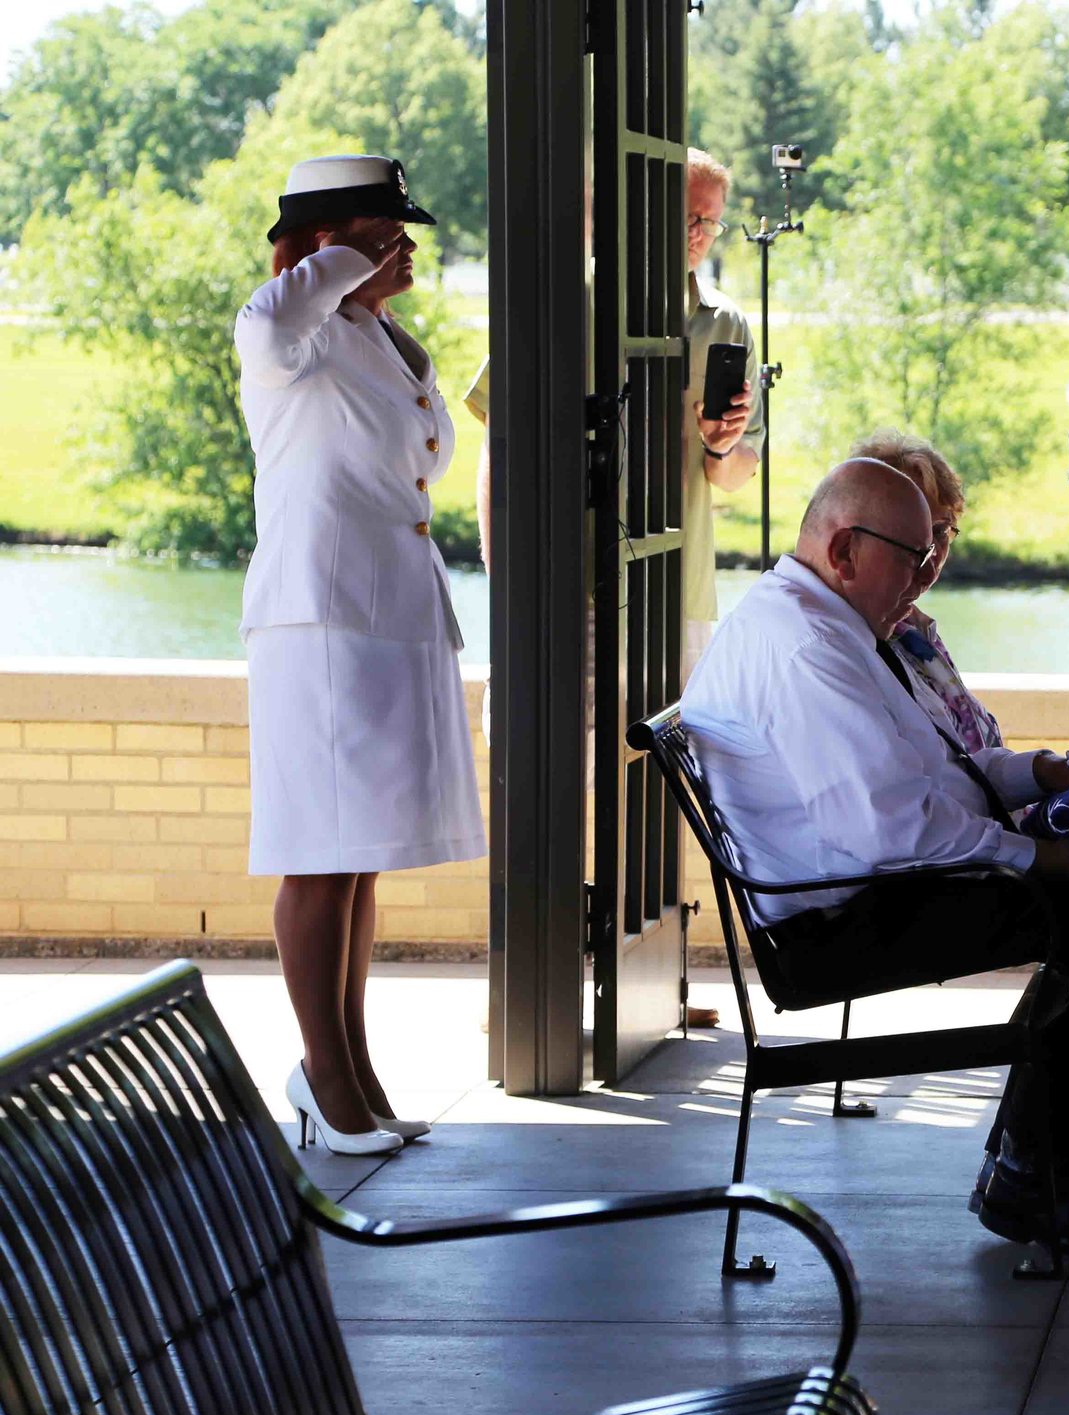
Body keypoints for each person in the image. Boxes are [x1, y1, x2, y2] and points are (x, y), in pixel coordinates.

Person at [680, 458, 1069, 1263]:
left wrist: (1035, 772)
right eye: (911, 556)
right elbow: (894, 831)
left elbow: (934, 768)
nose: (924, 574)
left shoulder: (836, 621)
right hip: (836, 918)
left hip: (873, 882)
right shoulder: (808, 647)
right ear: (846, 548)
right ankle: (1036, 1170)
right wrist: (1044, 859)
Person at [237, 154, 478, 1156]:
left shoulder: (374, 334)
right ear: (342, 240)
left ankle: (355, 1070)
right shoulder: (286, 335)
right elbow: (273, 313)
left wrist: (365, 279)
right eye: (393, 230)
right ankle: (323, 1078)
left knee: (362, 855)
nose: (411, 245)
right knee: (318, 852)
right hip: (320, 617)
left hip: (390, 615)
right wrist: (341, 256)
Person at [468, 147, 760, 675]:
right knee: (567, 752)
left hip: (677, 594)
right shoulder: (565, 299)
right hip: (571, 586)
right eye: (689, 217)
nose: (699, 233)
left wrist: (719, 444)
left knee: (662, 755)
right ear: (646, 209)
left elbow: (737, 474)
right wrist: (502, 577)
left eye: (711, 222)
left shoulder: (727, 325)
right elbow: (500, 444)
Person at [846, 429, 1002, 753]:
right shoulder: (849, 644)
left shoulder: (916, 631)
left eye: (941, 532)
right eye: (910, 533)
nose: (928, 560)